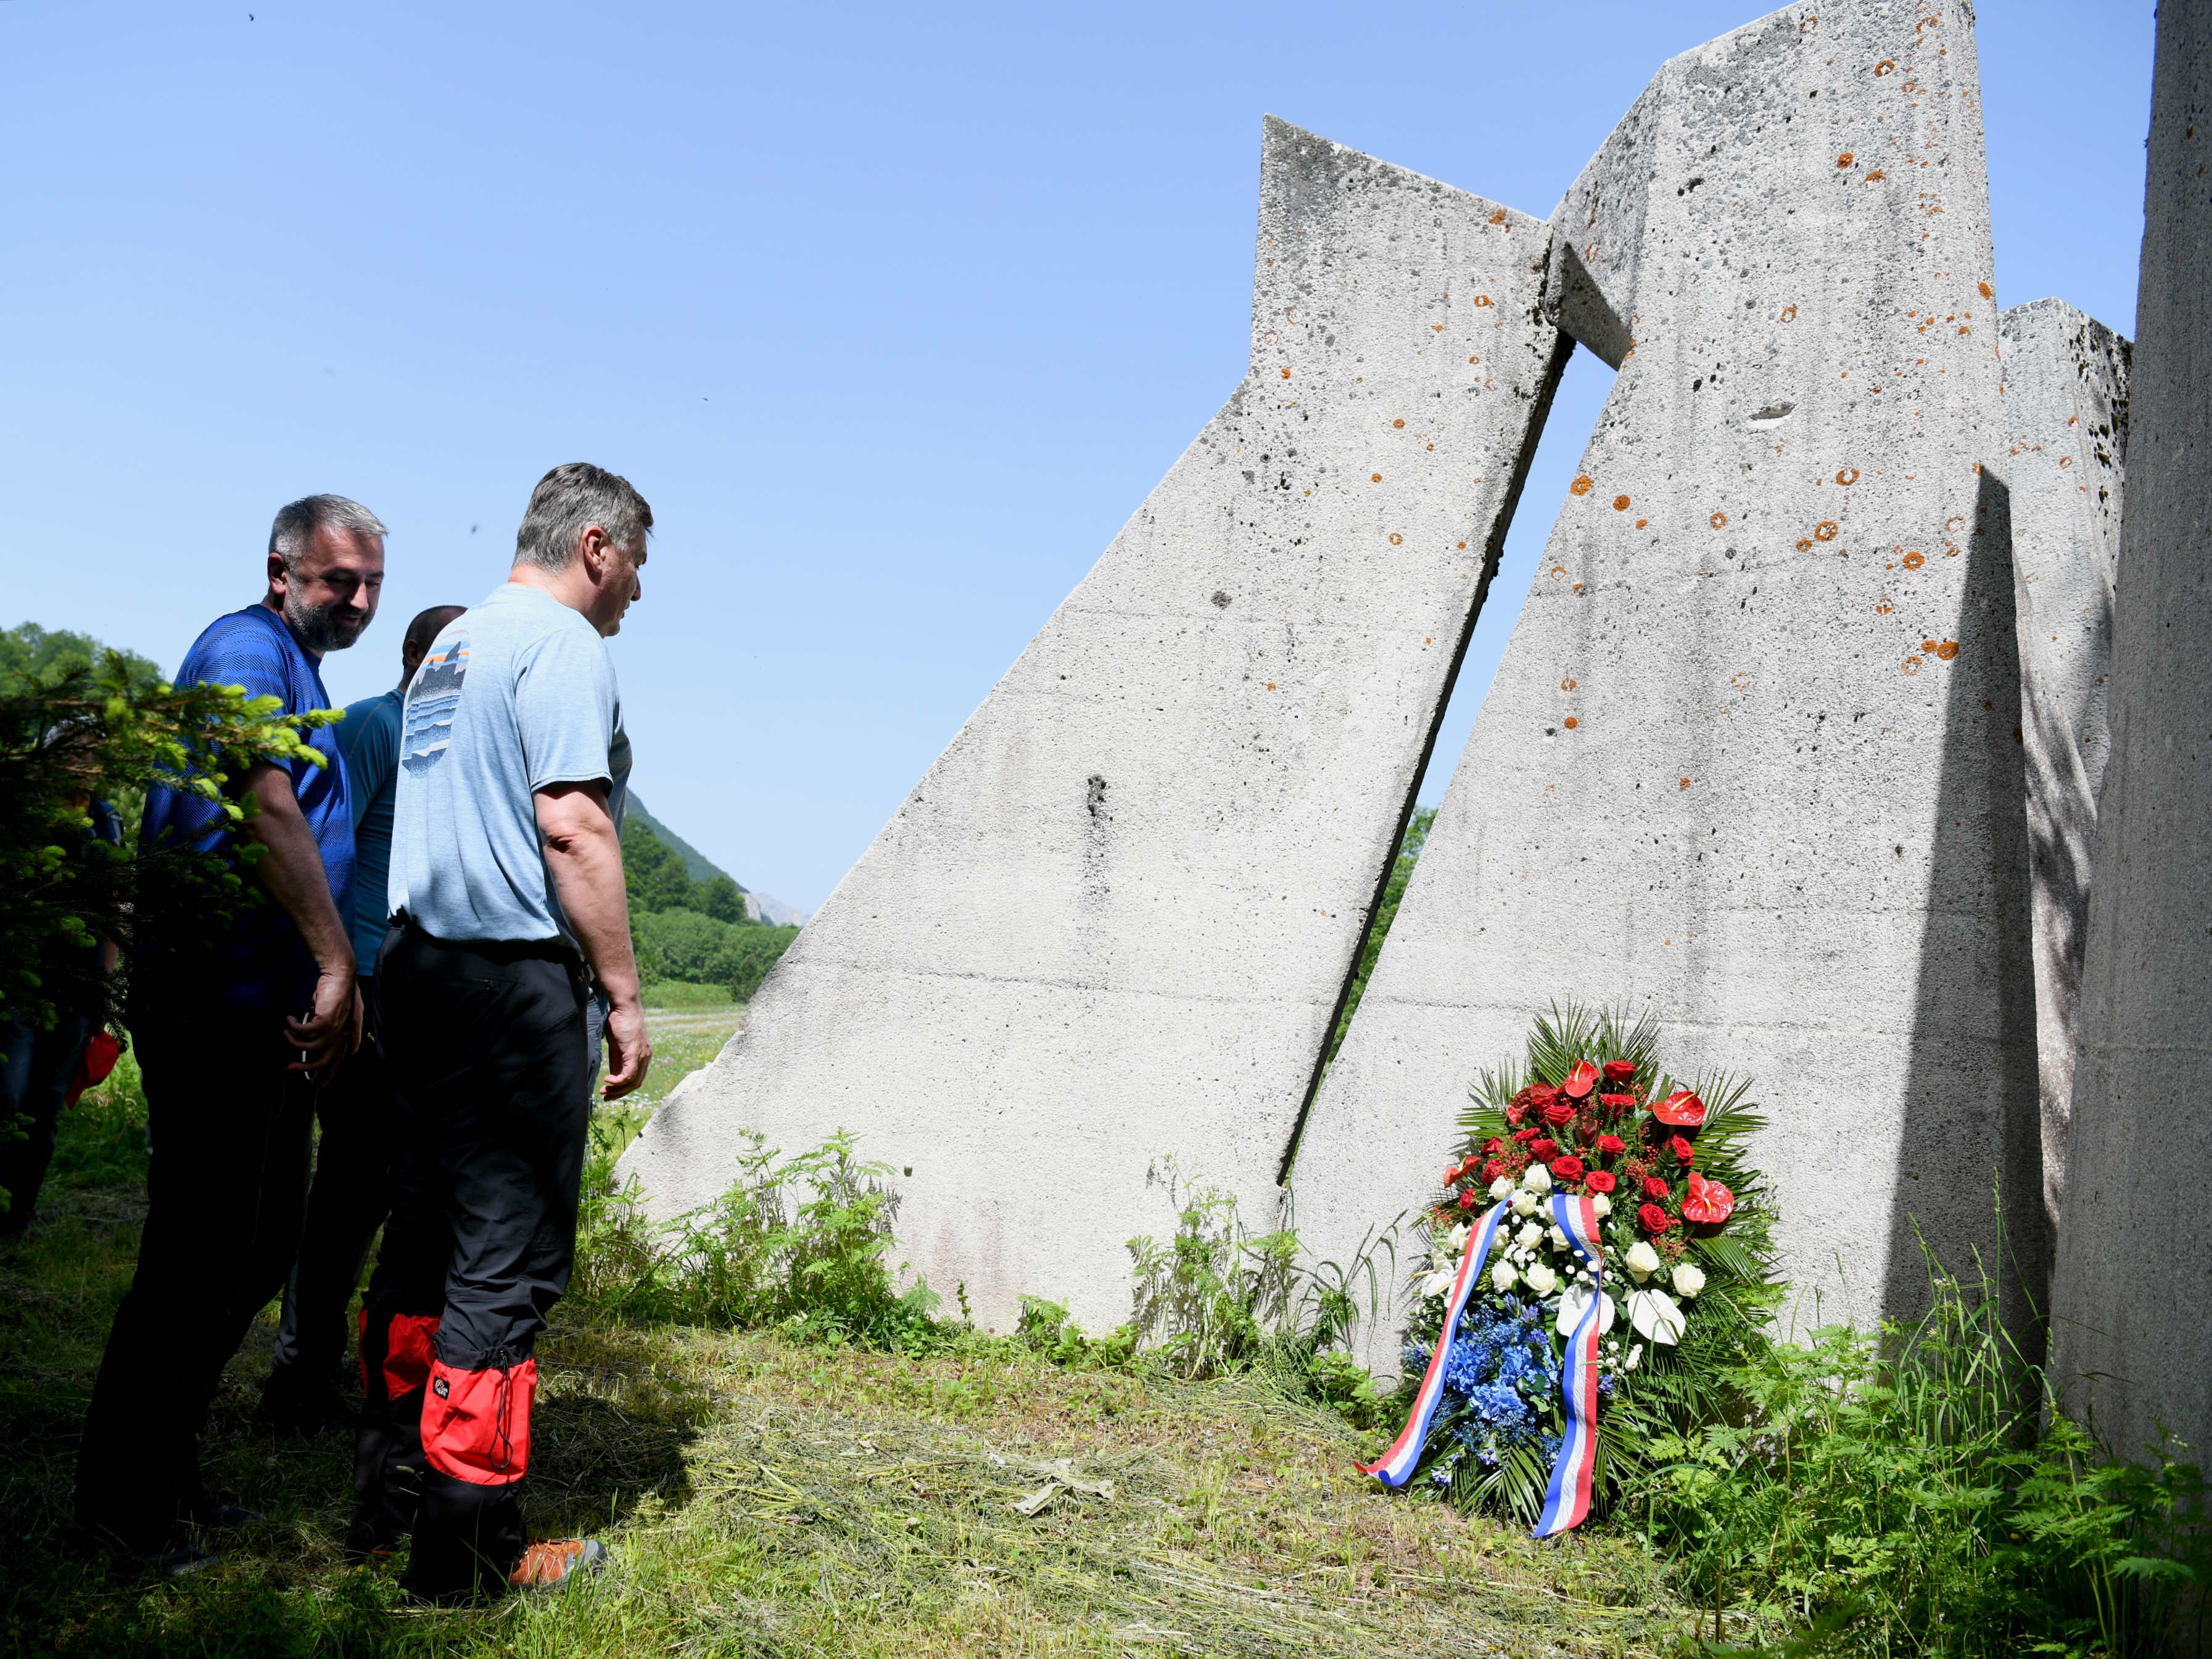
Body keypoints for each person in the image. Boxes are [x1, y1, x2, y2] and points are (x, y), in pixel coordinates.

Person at [354, 463, 651, 1600]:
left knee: (423, 1244)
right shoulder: (564, 644)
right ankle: (466, 1559)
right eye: (633, 567)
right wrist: (621, 995)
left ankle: (387, 1512)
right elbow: (572, 824)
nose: (634, 595)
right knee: (504, 1267)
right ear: (596, 545)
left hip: (418, 970)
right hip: (507, 986)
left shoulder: (454, 644)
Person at [76, 494, 383, 1570]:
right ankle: (124, 1509)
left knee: (257, 1248)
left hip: (273, 1016)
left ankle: (166, 1473)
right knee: (194, 1259)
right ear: (281, 570)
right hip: (218, 1006)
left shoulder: (301, 671)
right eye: (340, 579)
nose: (358, 601)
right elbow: (261, 801)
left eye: (371, 584)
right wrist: (337, 959)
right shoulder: (242, 650)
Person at [260, 603, 466, 1434]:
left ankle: (336, 1369)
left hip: (415, 991)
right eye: (450, 655)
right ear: (414, 653)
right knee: (348, 1188)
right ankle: (297, 1377)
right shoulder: (377, 725)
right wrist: (336, 970)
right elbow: (325, 849)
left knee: (384, 1185)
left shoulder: (449, 747)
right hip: (360, 986)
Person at [0, 790, 122, 1239]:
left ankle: (17, 1217)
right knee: (8, 1097)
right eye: (77, 753)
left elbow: (116, 907)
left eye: (92, 755)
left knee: (45, 1108)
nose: (85, 766)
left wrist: (104, 984)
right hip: (18, 987)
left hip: (77, 993)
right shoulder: (25, 815)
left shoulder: (107, 822)